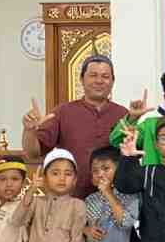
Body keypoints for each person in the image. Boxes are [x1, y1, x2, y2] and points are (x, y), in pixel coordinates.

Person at [22, 54, 128, 198]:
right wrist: (29, 130)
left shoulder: (123, 114)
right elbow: (33, 153)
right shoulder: (63, 112)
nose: (99, 81)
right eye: (93, 75)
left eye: (105, 76)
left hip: (114, 200)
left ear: (112, 81)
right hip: (72, 198)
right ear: (82, 80)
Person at [12, 148, 87, 242]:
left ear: (75, 180)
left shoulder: (77, 205)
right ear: (45, 178)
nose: (62, 178)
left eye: (68, 174)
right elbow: (16, 220)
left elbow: (76, 240)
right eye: (55, 173)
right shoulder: (36, 202)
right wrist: (32, 190)